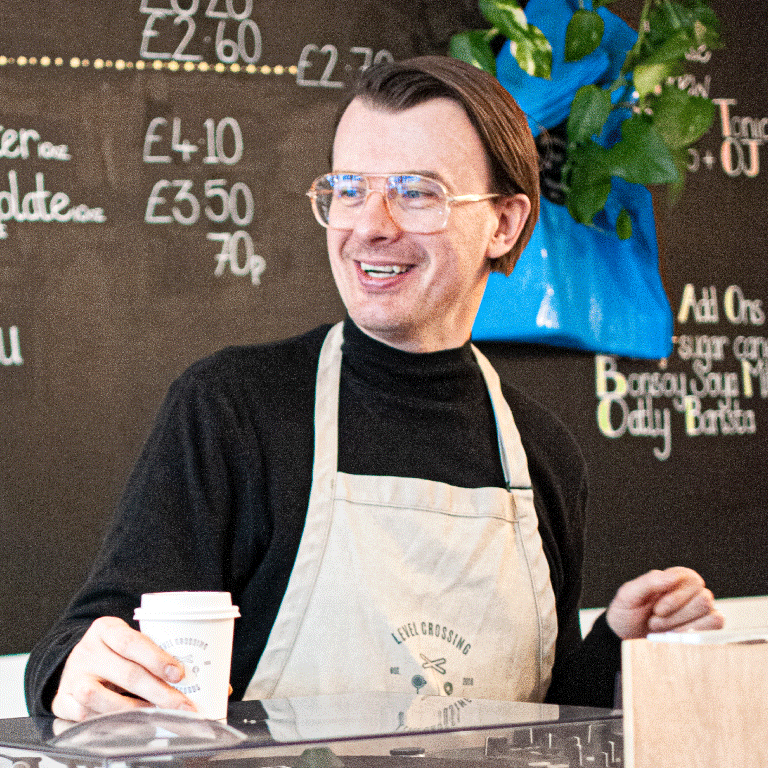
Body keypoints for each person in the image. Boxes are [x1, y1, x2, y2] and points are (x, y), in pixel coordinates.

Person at [25, 56, 723, 722]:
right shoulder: (234, 408)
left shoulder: (542, 452)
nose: (369, 227)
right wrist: (74, 674)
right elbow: (86, 642)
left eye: (416, 193)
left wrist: (618, 645)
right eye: (349, 189)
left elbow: (539, 717)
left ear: (505, 222)